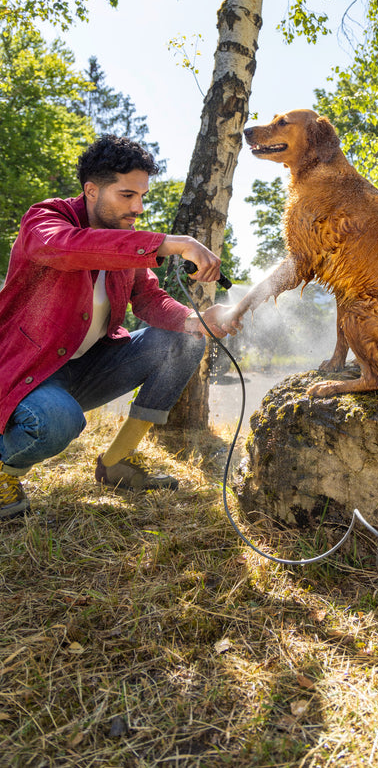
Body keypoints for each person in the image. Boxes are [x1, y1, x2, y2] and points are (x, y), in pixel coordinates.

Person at [0, 135, 231, 521]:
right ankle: (5, 472)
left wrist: (196, 321)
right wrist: (173, 243)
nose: (138, 208)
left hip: (87, 368)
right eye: (127, 195)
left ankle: (118, 462)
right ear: (91, 190)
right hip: (29, 374)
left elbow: (148, 299)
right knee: (56, 422)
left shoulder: (125, 242)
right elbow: (67, 248)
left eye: (141, 196)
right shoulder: (45, 219)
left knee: (184, 341)